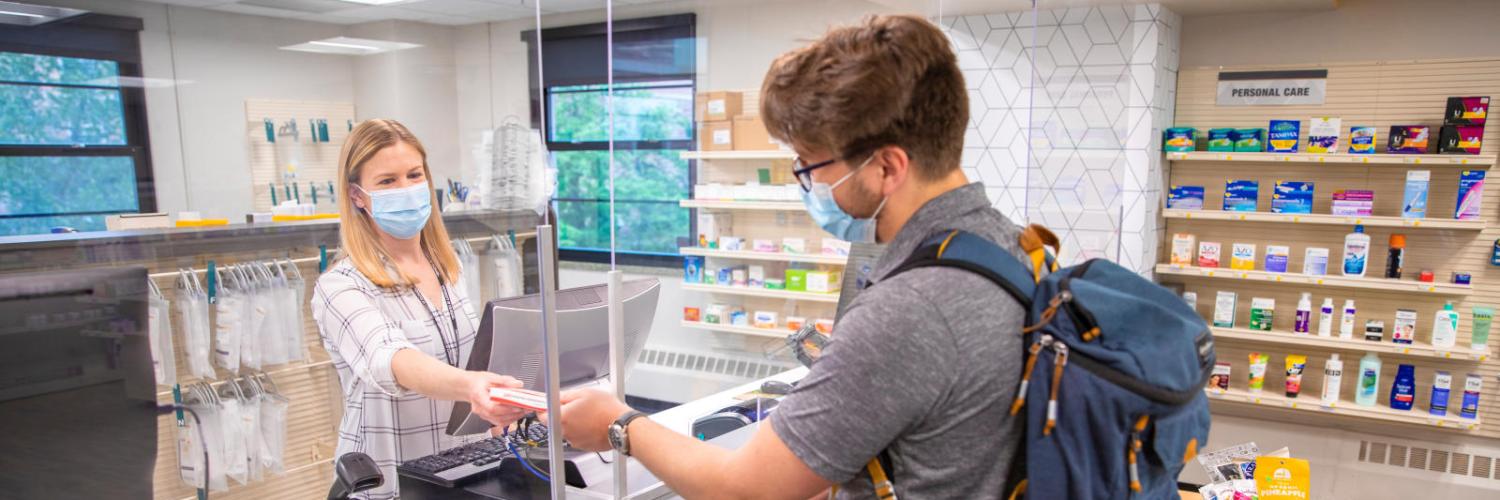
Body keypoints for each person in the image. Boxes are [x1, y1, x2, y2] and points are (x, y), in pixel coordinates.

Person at [550, 14, 1029, 499]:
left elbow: (748, 491)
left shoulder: (910, 308)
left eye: (813, 165)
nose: (810, 184)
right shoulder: (1014, 248)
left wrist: (620, 425)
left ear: (887, 166)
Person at [312, 119, 527, 499]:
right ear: (358, 195)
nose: (407, 189)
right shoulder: (341, 286)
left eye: (414, 175)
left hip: (458, 473)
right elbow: (391, 359)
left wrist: (499, 412)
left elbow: (470, 359)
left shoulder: (448, 268)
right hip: (387, 482)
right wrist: (472, 386)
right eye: (387, 181)